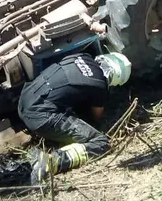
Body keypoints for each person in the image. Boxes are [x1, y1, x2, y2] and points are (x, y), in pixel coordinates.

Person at [18, 52, 132, 184]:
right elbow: (96, 117)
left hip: (25, 98)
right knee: (100, 143)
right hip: (40, 116)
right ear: (115, 77)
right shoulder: (100, 85)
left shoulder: (82, 56)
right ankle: (51, 161)